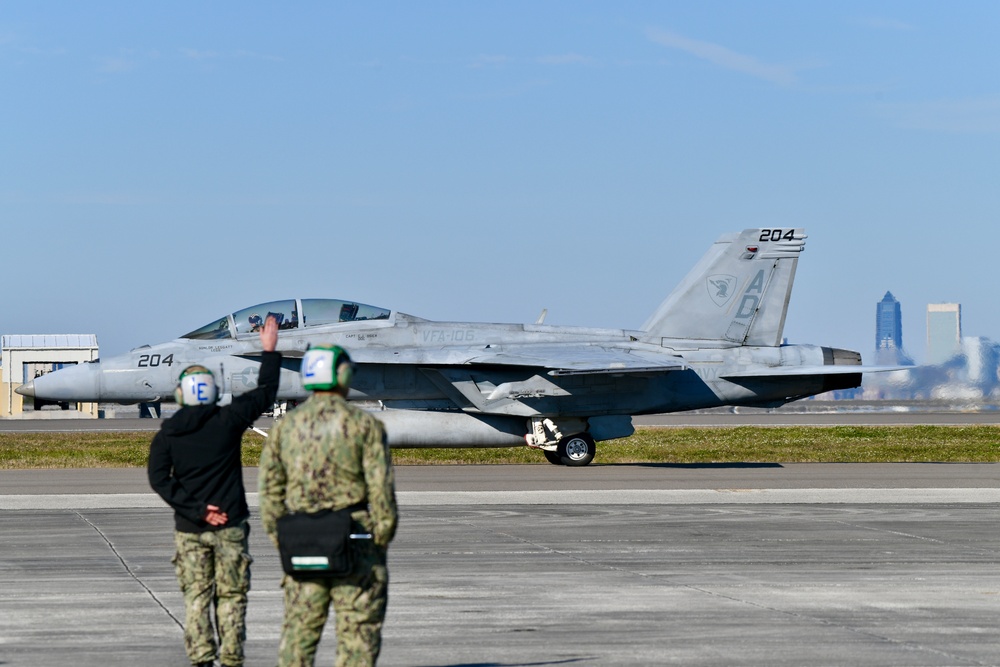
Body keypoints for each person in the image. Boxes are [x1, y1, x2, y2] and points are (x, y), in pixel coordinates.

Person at [148, 315, 281, 667]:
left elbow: (160, 480)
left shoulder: (168, 435)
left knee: (195, 598)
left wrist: (198, 510)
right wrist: (269, 350)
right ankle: (232, 660)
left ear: (181, 394)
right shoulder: (229, 420)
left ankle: (202, 660)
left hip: (191, 530)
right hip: (231, 527)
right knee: (232, 598)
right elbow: (266, 391)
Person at [259, 344, 397, 667]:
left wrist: (283, 539)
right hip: (356, 544)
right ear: (341, 374)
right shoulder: (364, 426)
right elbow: (382, 497)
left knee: (297, 641)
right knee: (358, 643)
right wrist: (378, 541)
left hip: (303, 544)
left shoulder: (283, 429)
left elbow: (269, 494)